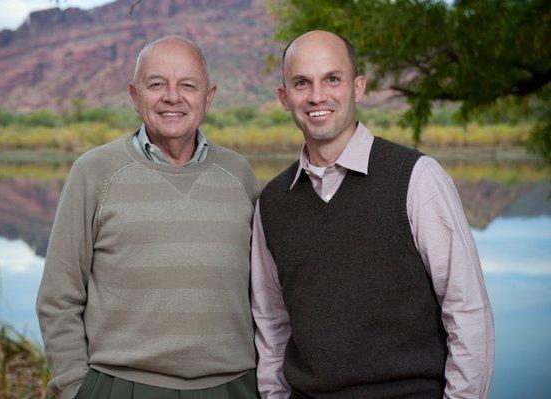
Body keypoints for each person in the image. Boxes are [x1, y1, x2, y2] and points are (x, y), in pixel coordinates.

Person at [251, 30, 494, 398]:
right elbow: (272, 327)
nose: (317, 96)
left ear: (358, 87)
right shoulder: (272, 202)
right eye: (302, 83)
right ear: (284, 97)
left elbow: (467, 310)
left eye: (332, 79)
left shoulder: (416, 178)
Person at [37, 36, 260, 399]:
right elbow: (58, 296)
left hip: (232, 386)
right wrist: (76, 387)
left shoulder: (240, 175)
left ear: (209, 96)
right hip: (121, 386)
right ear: (134, 94)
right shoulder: (94, 172)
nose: (172, 97)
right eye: (156, 84)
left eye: (188, 85)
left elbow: (264, 296)